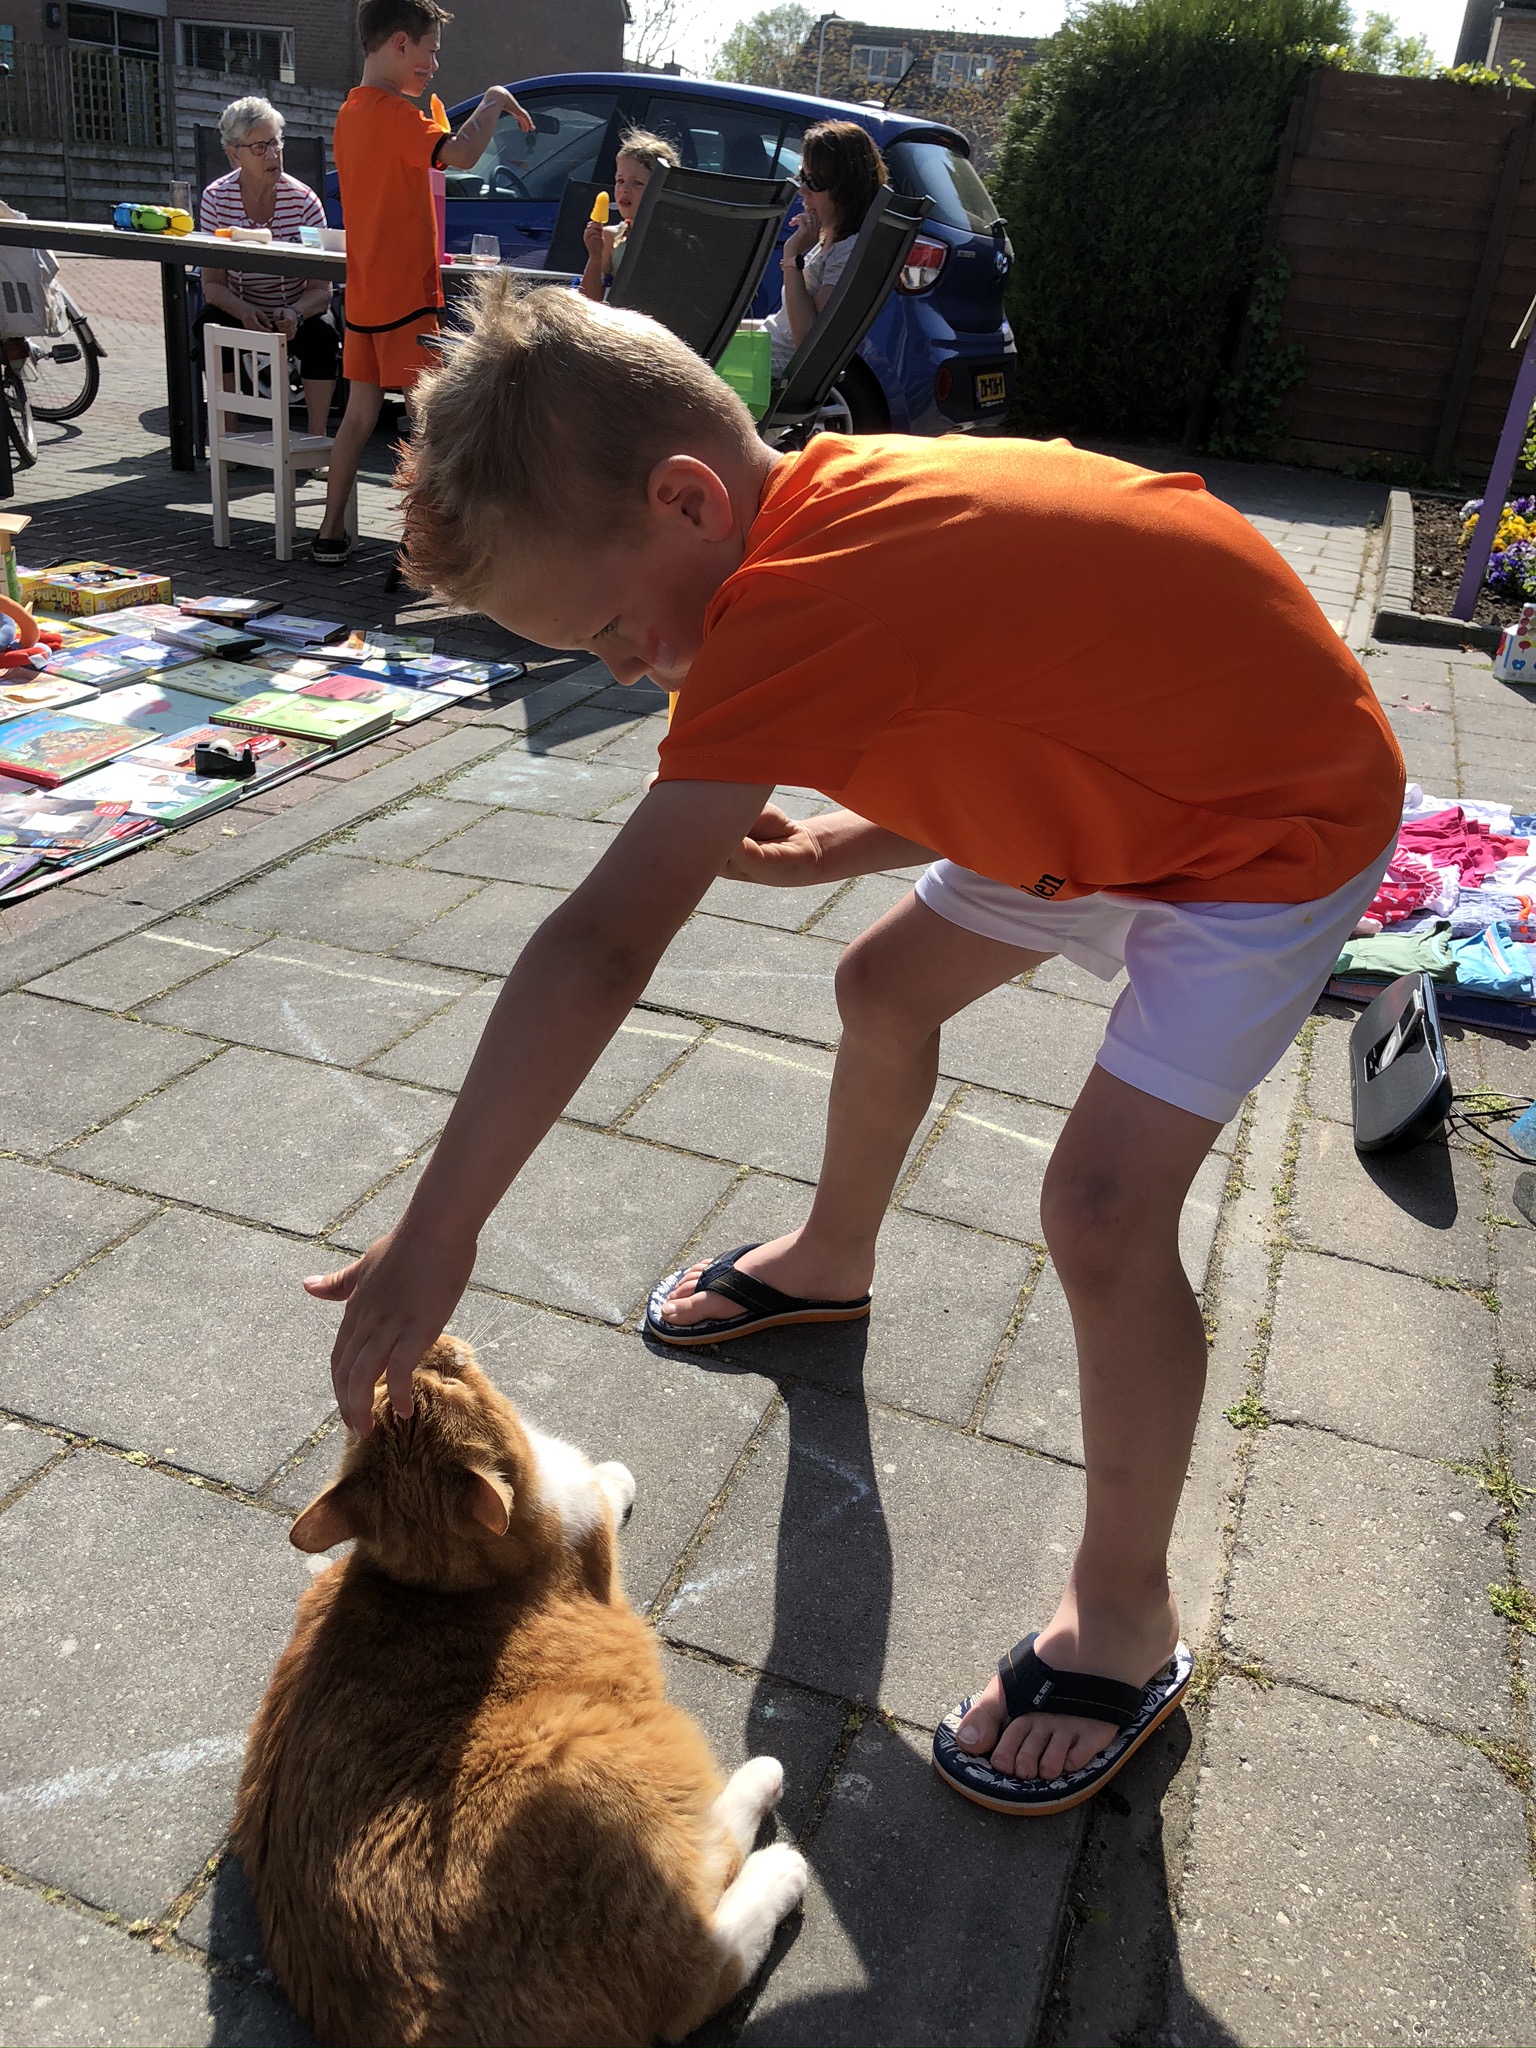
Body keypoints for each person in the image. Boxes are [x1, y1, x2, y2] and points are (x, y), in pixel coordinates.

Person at [305, 280, 1404, 1818]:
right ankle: (832, 1258)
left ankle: (1126, 1612)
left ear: (687, 501)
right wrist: (840, 846)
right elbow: (1004, 702)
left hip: (1267, 826)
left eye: (608, 628)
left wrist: (441, 1229)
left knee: (1099, 1208)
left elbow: (602, 944)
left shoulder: (797, 597)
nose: (620, 668)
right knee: (885, 985)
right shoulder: (816, 523)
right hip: (1128, 781)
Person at [310, 0, 532, 566]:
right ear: (398, 43)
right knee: (427, 423)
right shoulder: (393, 114)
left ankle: (330, 531)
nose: (433, 65)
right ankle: (424, 541)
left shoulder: (351, 112)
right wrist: (492, 101)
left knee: (358, 417)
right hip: (406, 296)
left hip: (364, 294)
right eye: (429, 52)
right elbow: (462, 154)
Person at [197, 96, 341, 439]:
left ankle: (316, 439)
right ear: (235, 154)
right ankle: (229, 438)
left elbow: (322, 290)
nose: (273, 155)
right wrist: (244, 311)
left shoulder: (305, 201)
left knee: (323, 334)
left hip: (293, 311)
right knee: (207, 324)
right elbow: (212, 284)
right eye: (259, 147)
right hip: (241, 307)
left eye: (275, 143)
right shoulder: (216, 199)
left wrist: (296, 313)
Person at [765, 121, 885, 378]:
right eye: (802, 176)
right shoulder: (831, 241)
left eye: (813, 181)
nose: (802, 190)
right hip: (761, 356)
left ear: (846, 189)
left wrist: (792, 257)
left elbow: (809, 342)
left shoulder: (847, 251)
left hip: (769, 372)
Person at [579, 129, 681, 302]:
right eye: (620, 181)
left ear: (665, 190)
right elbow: (588, 304)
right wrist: (596, 257)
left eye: (637, 183)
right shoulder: (610, 238)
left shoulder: (680, 242)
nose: (624, 189)